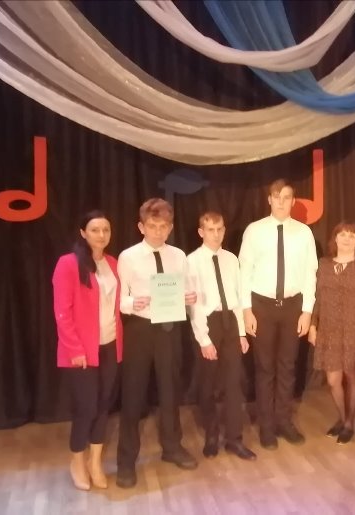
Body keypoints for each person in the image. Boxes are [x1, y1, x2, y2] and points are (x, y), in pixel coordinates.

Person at [115, 198, 198, 488]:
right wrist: (132, 303)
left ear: (171, 227)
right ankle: (126, 461)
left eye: (163, 226)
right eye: (152, 226)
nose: (158, 231)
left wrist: (189, 298)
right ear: (141, 227)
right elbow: (120, 298)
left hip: (169, 328)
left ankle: (172, 447)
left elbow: (187, 290)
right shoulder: (128, 257)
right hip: (140, 328)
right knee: (133, 394)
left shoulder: (179, 256)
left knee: (170, 390)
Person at [239, 179, 318, 450]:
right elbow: (244, 272)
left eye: (287, 197)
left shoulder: (304, 233)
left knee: (287, 366)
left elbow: (310, 274)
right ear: (269, 200)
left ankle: (284, 421)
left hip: (293, 306)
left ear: (293, 201)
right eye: (277, 197)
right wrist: (246, 310)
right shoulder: (254, 231)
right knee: (264, 369)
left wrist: (307, 311)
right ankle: (267, 426)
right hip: (262, 305)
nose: (282, 202)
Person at [52, 210, 124, 491]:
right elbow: (62, 312)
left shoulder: (113, 263)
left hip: (110, 345)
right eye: (95, 230)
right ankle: (77, 461)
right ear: (83, 233)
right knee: (86, 408)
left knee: (104, 407)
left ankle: (95, 462)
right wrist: (75, 349)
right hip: (81, 351)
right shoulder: (68, 264)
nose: (101, 235)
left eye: (106, 229)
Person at [187, 212, 257, 461]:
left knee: (234, 383)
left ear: (224, 230)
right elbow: (194, 304)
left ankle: (234, 439)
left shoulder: (231, 259)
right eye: (210, 230)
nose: (215, 234)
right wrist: (204, 339)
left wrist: (241, 333)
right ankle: (211, 435)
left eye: (219, 229)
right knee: (207, 384)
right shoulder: (192, 261)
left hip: (230, 321)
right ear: (201, 232)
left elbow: (237, 296)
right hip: (208, 322)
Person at [308, 222, 355, 444]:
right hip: (329, 330)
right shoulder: (324, 265)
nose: (347, 239)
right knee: (333, 380)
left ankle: (349, 424)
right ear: (335, 239)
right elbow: (318, 298)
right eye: (342, 235)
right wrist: (313, 325)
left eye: (352, 236)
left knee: (352, 376)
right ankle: (343, 418)